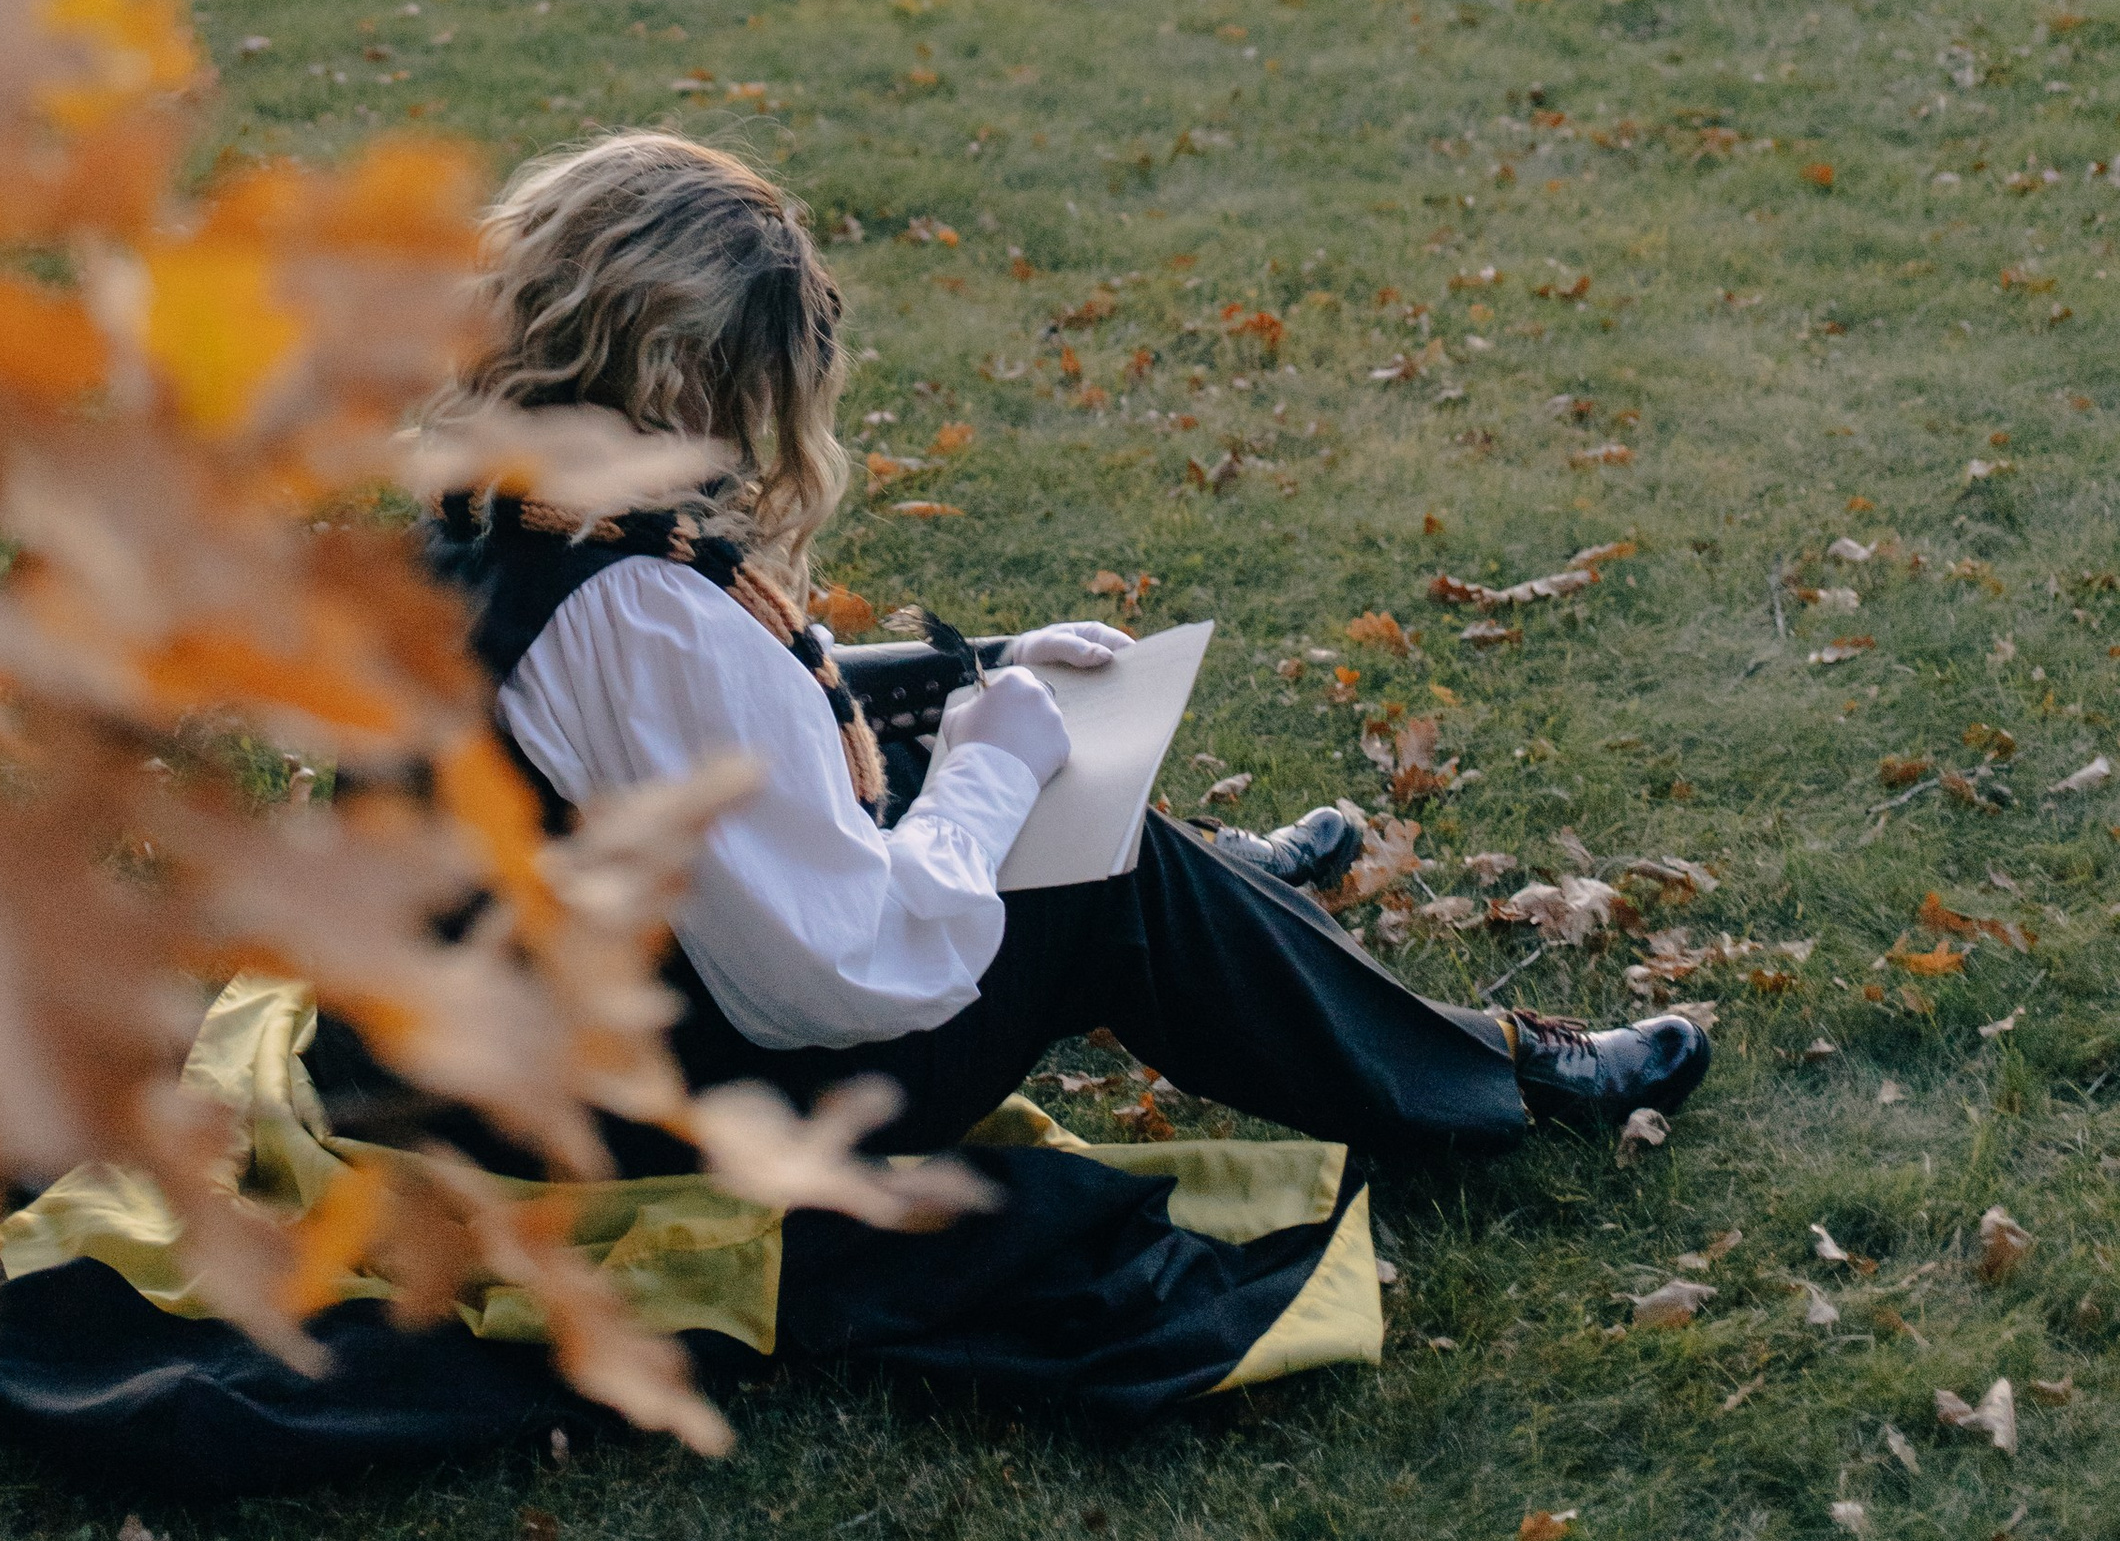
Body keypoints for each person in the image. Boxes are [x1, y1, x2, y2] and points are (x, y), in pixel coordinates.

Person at [428, 132, 1709, 1165]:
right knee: (1106, 880)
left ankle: (1234, 900)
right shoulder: (644, 611)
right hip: (661, 1110)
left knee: (1039, 781)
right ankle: (1494, 1076)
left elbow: (704, 737)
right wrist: (988, 764)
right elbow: (847, 968)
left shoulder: (512, 511)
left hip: (529, 1044)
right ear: (685, 371)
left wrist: (964, 676)